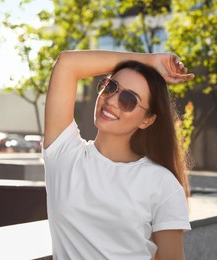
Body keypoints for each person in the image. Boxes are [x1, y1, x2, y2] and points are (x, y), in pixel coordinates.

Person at [42, 50, 195, 260]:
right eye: (110, 87)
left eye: (128, 99)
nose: (112, 101)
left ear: (147, 120)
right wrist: (148, 60)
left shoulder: (162, 184)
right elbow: (68, 63)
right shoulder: (65, 155)